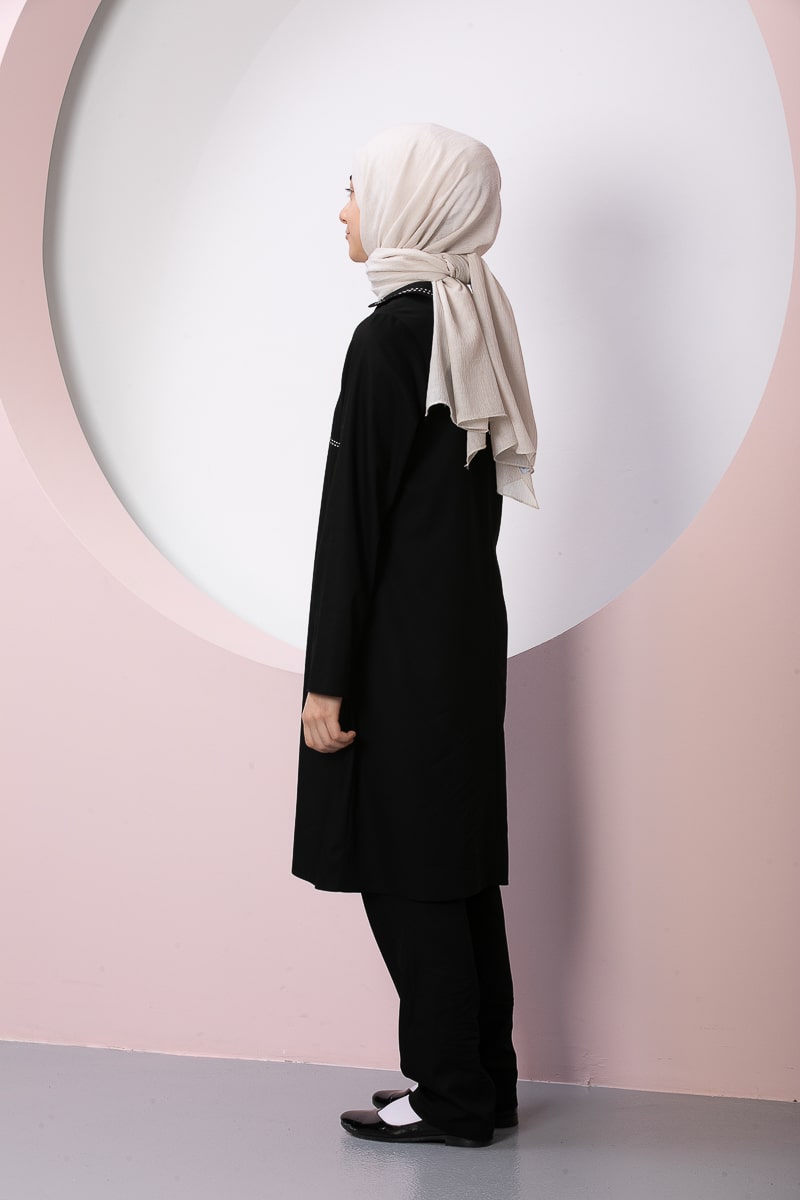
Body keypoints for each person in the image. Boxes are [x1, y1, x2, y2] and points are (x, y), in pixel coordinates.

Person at [292, 123, 538, 1149]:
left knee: (406, 867)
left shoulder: (394, 334)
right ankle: (481, 1082)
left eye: (356, 188)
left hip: (398, 650)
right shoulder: (470, 320)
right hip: (464, 638)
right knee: (454, 864)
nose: (344, 209)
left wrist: (326, 679)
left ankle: (449, 1097)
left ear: (410, 201)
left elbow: (354, 520)